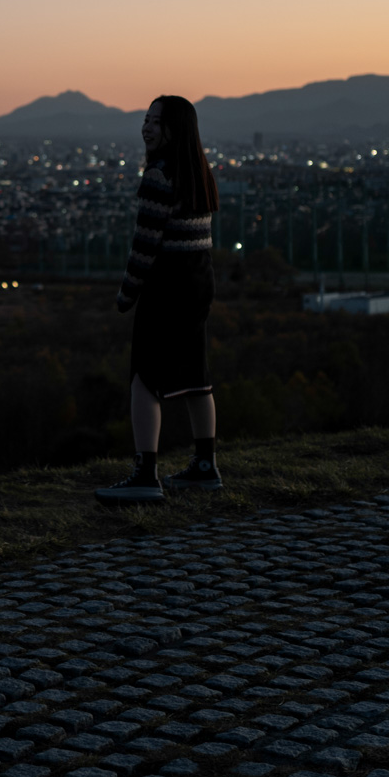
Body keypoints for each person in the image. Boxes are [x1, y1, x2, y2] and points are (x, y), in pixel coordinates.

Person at [95, 95, 222, 505]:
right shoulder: (200, 173)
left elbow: (145, 245)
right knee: (195, 376)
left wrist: (126, 293)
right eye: (146, 119)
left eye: (156, 121)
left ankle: (145, 473)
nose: (147, 128)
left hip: (166, 285)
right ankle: (205, 465)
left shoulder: (159, 175)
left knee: (144, 377)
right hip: (199, 281)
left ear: (175, 129)